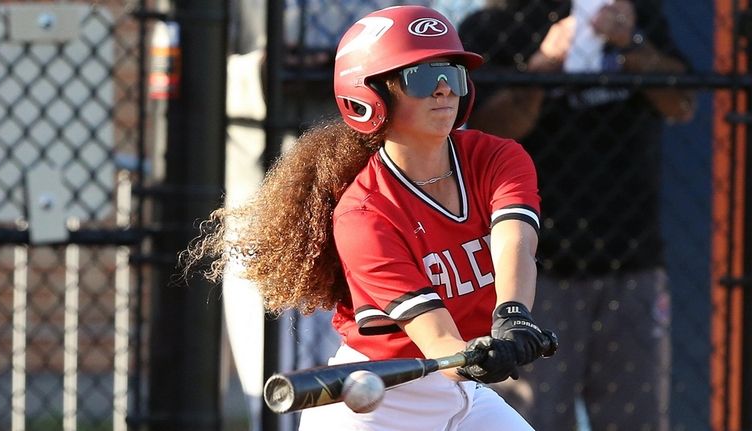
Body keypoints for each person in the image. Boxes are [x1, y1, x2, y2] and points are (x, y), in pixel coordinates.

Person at [186, 5, 557, 430]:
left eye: (451, 74)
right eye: (420, 77)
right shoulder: (364, 215)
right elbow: (439, 342)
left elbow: (515, 240)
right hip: (377, 407)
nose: (443, 90)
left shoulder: (495, 156)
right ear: (370, 96)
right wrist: (477, 358)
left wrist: (512, 314)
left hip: (462, 399)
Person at [458, 0, 696, 430]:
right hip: (531, 270)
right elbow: (483, 134)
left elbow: (682, 103)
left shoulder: (634, 12)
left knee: (637, 419)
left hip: (631, 257)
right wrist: (541, 68)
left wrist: (631, 43)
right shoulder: (495, 24)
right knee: (526, 418)